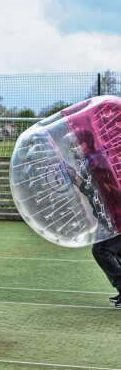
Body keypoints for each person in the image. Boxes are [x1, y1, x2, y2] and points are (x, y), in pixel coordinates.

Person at [67, 130, 121, 307]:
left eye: (78, 144)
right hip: (109, 216)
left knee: (101, 250)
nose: (75, 148)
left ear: (87, 143)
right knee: (113, 252)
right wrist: (74, 177)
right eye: (73, 145)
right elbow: (91, 190)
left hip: (115, 215)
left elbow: (101, 189)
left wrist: (77, 177)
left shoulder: (95, 160)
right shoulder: (91, 161)